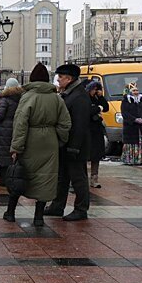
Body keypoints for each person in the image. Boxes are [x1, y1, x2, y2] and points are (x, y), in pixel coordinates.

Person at [6, 63, 71, 226]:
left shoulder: (28, 97)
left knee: (20, 175)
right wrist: (58, 140)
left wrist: (16, 147)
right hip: (50, 142)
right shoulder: (56, 98)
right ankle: (39, 217)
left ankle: (10, 212)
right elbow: (65, 123)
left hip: (30, 140)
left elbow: (20, 123)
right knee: (46, 178)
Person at [45, 64, 92, 221]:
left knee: (78, 178)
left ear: (69, 78)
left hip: (75, 146)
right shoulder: (69, 93)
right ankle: (57, 206)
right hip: (66, 144)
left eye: (61, 76)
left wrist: (74, 147)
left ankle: (81, 209)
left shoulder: (79, 96)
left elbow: (80, 125)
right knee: (62, 177)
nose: (58, 79)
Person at [0, 78, 24, 187]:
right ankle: (13, 178)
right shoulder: (20, 98)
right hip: (15, 128)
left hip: (4, 130)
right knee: (12, 155)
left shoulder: (4, 99)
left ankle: (4, 180)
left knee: (3, 156)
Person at [120, 83, 142, 166]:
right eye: (134, 90)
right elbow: (125, 113)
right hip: (131, 127)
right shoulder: (126, 101)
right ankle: (132, 159)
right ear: (129, 92)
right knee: (132, 142)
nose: (136, 92)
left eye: (137, 90)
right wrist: (134, 119)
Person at [86, 81, 109, 188]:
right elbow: (88, 111)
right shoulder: (85, 98)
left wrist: (100, 97)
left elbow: (106, 107)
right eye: (94, 89)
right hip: (87, 130)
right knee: (85, 155)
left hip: (97, 130)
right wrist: (98, 108)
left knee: (96, 156)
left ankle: (94, 178)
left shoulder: (96, 98)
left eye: (97, 89)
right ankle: (80, 179)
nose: (95, 91)